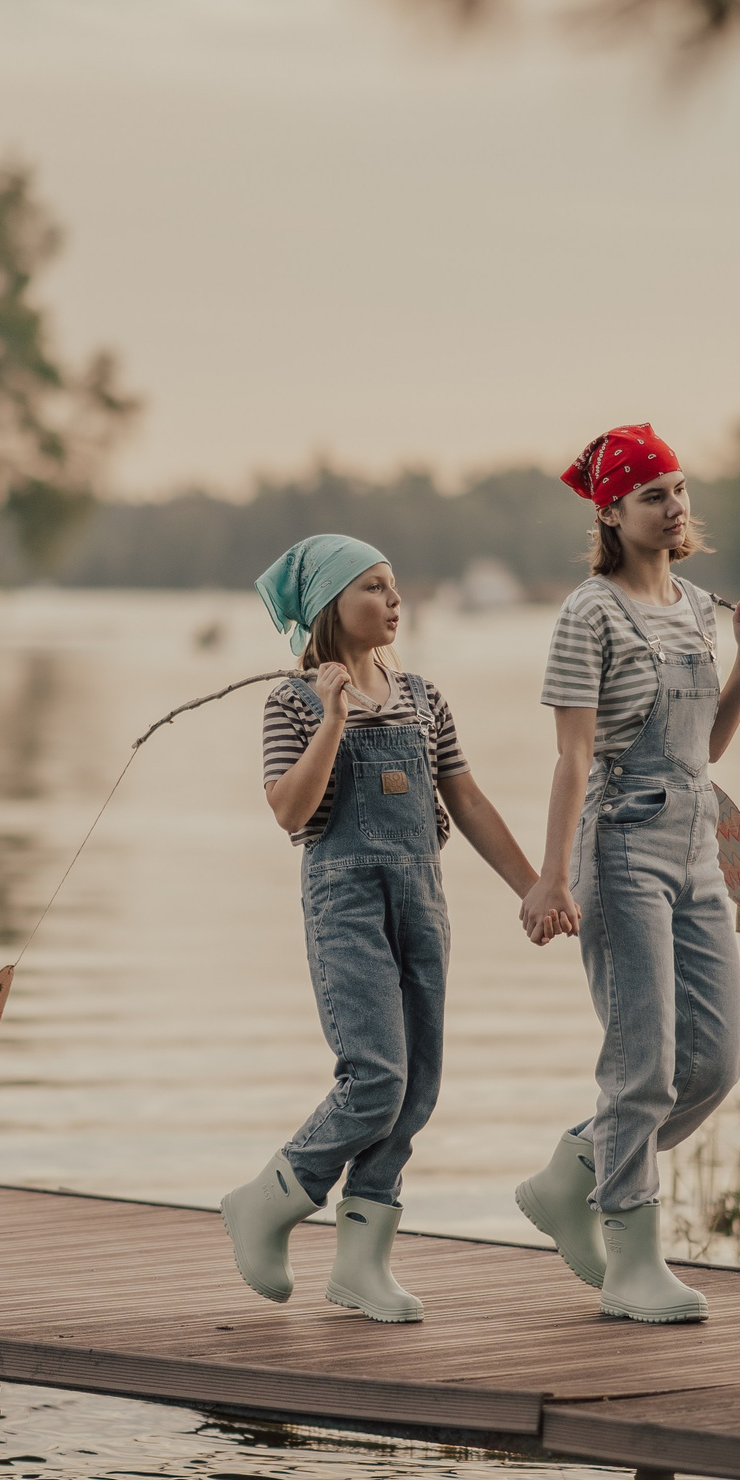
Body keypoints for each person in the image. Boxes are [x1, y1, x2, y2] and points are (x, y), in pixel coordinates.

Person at [220, 534, 561, 1323]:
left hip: (421, 900)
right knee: (375, 1075)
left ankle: (361, 1265)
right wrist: (333, 719)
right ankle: (267, 1199)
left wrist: (534, 887)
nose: (393, 599)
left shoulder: (424, 696)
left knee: (418, 1088)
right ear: (332, 607)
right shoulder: (293, 701)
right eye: (373, 587)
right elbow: (289, 812)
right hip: (345, 902)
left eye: (394, 585)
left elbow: (468, 802)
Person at [512, 425, 740, 1323]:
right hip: (621, 846)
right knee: (643, 1067)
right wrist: (552, 879)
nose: (675, 508)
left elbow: (706, 746)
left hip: (698, 846)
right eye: (654, 496)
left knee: (715, 1060)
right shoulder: (589, 614)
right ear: (613, 513)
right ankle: (630, 1261)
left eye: (679, 489)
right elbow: (572, 758)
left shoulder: (700, 607)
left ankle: (573, 1172)